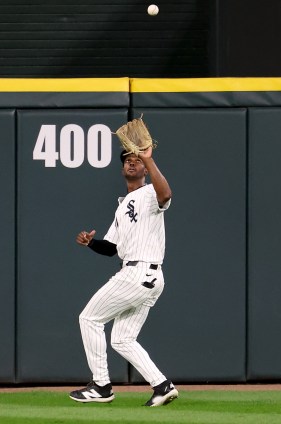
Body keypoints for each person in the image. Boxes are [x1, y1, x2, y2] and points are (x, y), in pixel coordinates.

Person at [69, 146, 177, 407]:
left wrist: (150, 160)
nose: (132, 164)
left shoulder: (151, 192)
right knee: (121, 339)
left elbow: (166, 194)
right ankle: (162, 386)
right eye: (128, 161)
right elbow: (112, 249)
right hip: (147, 276)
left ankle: (102, 386)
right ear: (122, 169)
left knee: (89, 318)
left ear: (144, 169)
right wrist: (91, 243)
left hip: (139, 272)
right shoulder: (122, 207)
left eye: (137, 161)